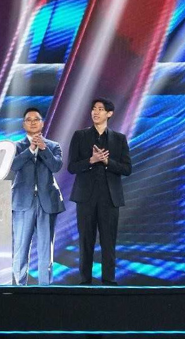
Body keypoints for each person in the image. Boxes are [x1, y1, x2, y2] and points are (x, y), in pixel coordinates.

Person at [67, 98, 131, 285]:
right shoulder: (80, 136)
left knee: (108, 241)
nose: (95, 112)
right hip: (85, 197)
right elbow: (71, 167)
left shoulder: (119, 139)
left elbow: (127, 169)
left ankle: (109, 280)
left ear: (109, 114)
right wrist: (91, 160)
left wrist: (107, 162)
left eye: (100, 109)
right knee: (85, 240)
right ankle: (85, 280)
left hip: (110, 198)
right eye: (94, 108)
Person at [11, 107, 65, 286]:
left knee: (45, 248)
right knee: (20, 247)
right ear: (23, 124)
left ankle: (45, 288)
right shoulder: (16, 146)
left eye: (36, 119)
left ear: (42, 123)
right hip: (22, 202)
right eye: (29, 119)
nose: (33, 122)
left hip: (47, 202)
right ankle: (19, 286)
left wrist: (43, 148)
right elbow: (13, 166)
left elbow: (56, 166)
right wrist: (30, 149)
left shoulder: (53, 146)